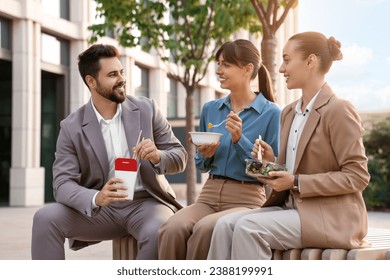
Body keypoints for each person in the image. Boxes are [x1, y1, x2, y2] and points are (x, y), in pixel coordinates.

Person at [207, 31, 371, 260]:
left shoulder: (339, 110)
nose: (281, 69)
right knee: (224, 226)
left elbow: (357, 176)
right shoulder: (288, 112)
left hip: (329, 217)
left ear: (310, 61)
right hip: (291, 210)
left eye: (286, 60)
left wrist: (296, 182)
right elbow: (287, 171)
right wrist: (269, 163)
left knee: (248, 227)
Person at [31, 44, 188, 260]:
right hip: (101, 210)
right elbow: (62, 184)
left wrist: (157, 156)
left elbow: (179, 156)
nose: (122, 79)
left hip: (146, 204)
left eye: (122, 72)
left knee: (159, 230)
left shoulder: (147, 109)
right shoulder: (71, 126)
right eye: (113, 74)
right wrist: (97, 197)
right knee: (44, 218)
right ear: (91, 82)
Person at [158, 39, 281, 259]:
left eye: (226, 65)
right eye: (218, 64)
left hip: (247, 198)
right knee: (172, 228)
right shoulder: (211, 109)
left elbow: (270, 173)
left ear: (247, 69)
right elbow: (200, 165)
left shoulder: (271, 113)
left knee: (205, 229)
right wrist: (206, 156)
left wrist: (239, 140)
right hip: (209, 194)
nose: (218, 70)